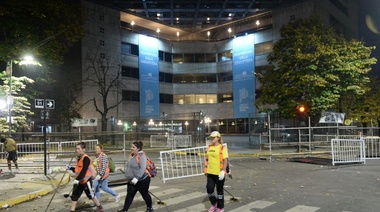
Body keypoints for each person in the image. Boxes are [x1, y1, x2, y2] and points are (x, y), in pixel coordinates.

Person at [66, 142, 103, 212]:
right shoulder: (79, 158)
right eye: (76, 148)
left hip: (86, 181)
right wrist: (70, 168)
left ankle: (99, 207)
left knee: (91, 196)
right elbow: (78, 170)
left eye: (78, 148)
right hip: (80, 181)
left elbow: (83, 171)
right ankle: (72, 210)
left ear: (83, 149)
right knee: (74, 196)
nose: (77, 150)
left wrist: (77, 179)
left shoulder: (86, 159)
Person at [118, 141, 154, 212]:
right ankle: (124, 210)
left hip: (142, 180)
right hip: (132, 181)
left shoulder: (142, 156)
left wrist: (137, 178)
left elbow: (142, 169)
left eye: (133, 147)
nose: (131, 148)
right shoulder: (132, 155)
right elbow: (130, 167)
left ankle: (150, 208)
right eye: (131, 147)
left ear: (138, 148)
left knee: (145, 194)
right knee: (129, 195)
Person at [204, 131, 229, 212]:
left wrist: (223, 171)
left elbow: (225, 160)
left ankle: (220, 207)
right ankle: (214, 204)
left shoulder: (222, 147)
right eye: (211, 138)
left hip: (219, 173)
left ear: (218, 138)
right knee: (209, 189)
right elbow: (207, 160)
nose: (212, 139)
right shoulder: (209, 147)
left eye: (213, 137)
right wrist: (206, 170)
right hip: (210, 172)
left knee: (219, 191)